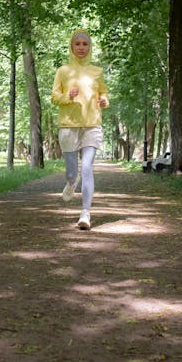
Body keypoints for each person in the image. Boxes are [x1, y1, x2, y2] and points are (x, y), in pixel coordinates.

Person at [50, 29, 109, 230]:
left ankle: (85, 213)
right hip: (68, 125)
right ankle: (70, 182)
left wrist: (104, 100)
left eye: (85, 44)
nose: (81, 47)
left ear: (89, 47)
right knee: (73, 172)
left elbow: (103, 92)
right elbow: (54, 97)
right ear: (71, 46)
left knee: (87, 168)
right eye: (78, 44)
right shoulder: (63, 71)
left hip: (92, 124)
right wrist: (68, 95)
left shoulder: (97, 71)